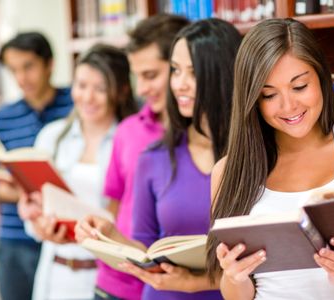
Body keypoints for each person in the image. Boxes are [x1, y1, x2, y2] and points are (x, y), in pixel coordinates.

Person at [206, 18, 334, 300]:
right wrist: (234, 277)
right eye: (269, 95)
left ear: (321, 77)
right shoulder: (229, 172)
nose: (289, 106)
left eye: (299, 87)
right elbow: (236, 294)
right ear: (253, 101)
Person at [77, 18, 242, 300]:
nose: (179, 84)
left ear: (223, 73)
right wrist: (111, 235)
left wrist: (197, 282)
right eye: (176, 71)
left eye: (193, 72)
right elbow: (146, 251)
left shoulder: (255, 155)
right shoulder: (154, 158)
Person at [75, 14, 189, 300]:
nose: (141, 89)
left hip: (176, 288)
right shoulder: (127, 131)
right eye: (136, 76)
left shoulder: (210, 140)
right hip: (114, 284)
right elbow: (113, 207)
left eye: (150, 75)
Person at [17, 44, 136, 300]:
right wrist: (35, 219)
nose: (88, 97)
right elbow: (36, 208)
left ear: (121, 91)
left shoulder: (130, 143)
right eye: (81, 86)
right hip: (55, 274)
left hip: (104, 276)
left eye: (100, 88)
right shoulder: (51, 137)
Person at [0, 32, 73, 300]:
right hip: (16, 238)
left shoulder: (76, 105)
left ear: (49, 64)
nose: (21, 79)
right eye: (13, 70)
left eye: (28, 67)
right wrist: (35, 194)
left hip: (67, 236)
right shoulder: (4, 117)